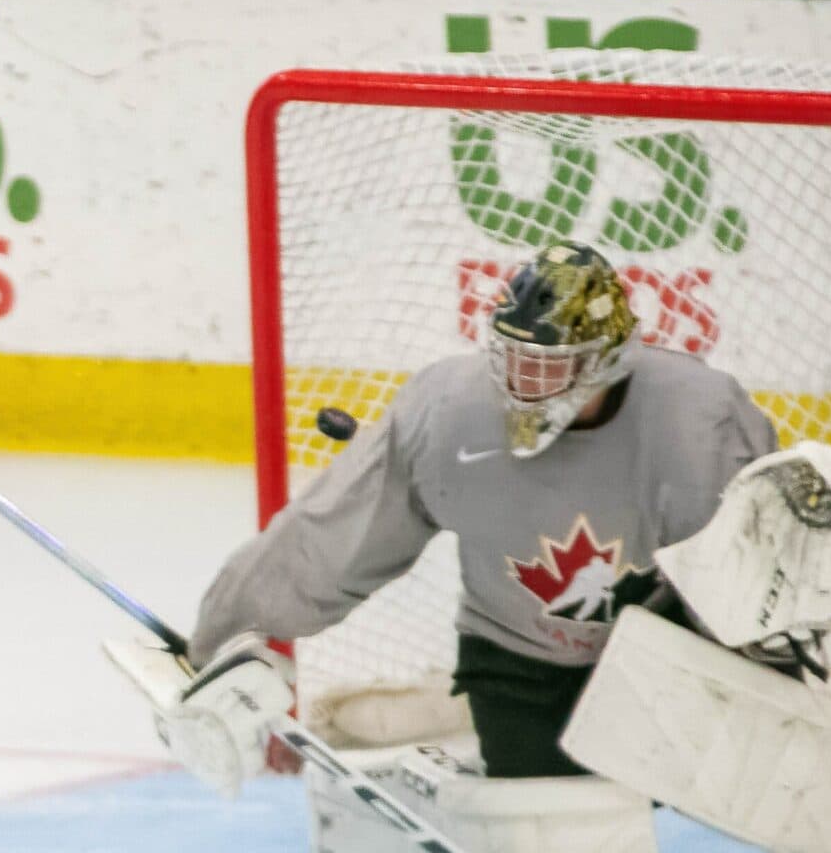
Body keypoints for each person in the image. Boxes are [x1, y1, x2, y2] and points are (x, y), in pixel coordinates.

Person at [190, 240, 777, 779]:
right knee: (550, 826)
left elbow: (762, 581)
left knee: (741, 779)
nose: (526, 385)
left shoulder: (701, 423)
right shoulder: (447, 410)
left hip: (665, 666)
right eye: (517, 360)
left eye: (551, 367)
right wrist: (221, 638)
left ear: (611, 359)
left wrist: (775, 692)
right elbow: (329, 538)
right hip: (517, 666)